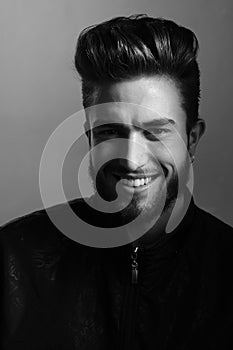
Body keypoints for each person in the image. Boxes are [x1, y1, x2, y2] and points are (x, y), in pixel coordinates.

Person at [0, 14, 232, 350]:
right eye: (110, 131)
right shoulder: (13, 261)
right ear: (90, 137)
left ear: (192, 140)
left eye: (155, 132)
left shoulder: (226, 269)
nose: (132, 159)